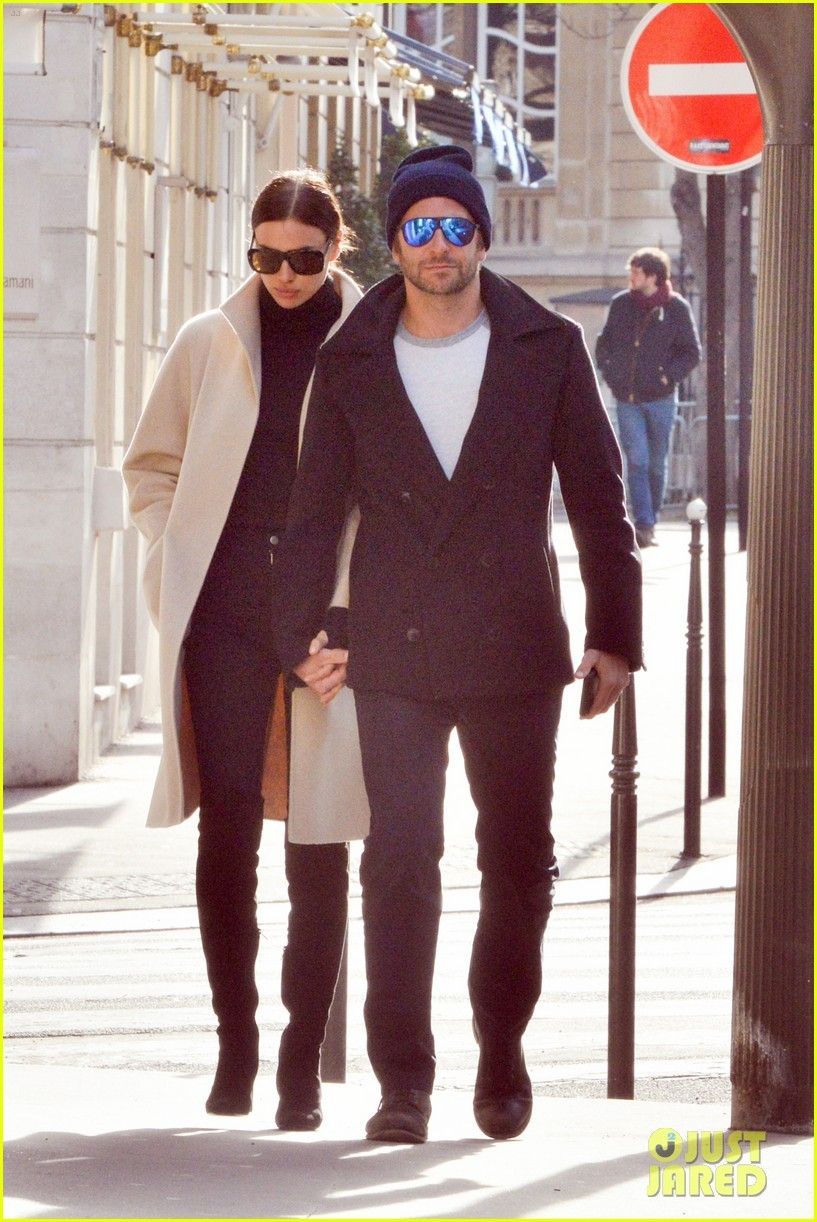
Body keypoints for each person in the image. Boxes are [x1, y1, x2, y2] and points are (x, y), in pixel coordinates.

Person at [272, 145, 643, 1144]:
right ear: (394, 242)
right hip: (392, 643)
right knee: (398, 860)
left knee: (517, 857)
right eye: (417, 227)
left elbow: (598, 496)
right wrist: (297, 637)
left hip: (514, 640)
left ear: (479, 237)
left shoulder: (546, 345)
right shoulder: (350, 355)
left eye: (454, 226)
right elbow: (312, 511)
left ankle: (501, 1051)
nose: (436, 245)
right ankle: (403, 1081)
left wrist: (614, 635)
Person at [122, 169, 369, 1130]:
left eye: (304, 257)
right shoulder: (208, 339)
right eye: (266, 256)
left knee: (318, 839)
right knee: (227, 830)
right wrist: (168, 547)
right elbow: (151, 466)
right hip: (223, 612)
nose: (285, 275)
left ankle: (301, 1064)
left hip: (324, 620)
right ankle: (236, 1046)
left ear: (335, 250)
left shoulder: (374, 338)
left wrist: (355, 613)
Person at [595, 246, 701, 549]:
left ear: (653, 277)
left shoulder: (676, 308)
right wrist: (612, 375)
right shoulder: (621, 304)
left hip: (661, 399)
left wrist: (668, 376)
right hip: (628, 398)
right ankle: (644, 524)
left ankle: (651, 516)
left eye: (637, 272)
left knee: (656, 463)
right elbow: (604, 345)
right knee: (637, 459)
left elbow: (692, 352)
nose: (631, 277)